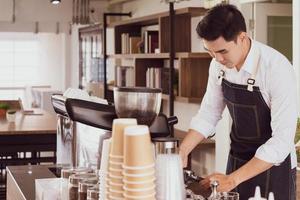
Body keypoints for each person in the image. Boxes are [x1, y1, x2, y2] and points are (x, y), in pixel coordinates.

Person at [179, 3, 297, 200]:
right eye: (210, 52)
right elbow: (209, 113)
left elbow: (281, 142)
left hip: (274, 169)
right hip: (237, 162)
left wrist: (233, 180)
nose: (217, 59)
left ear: (242, 38)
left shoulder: (276, 68)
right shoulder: (217, 65)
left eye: (223, 51)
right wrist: (182, 151)